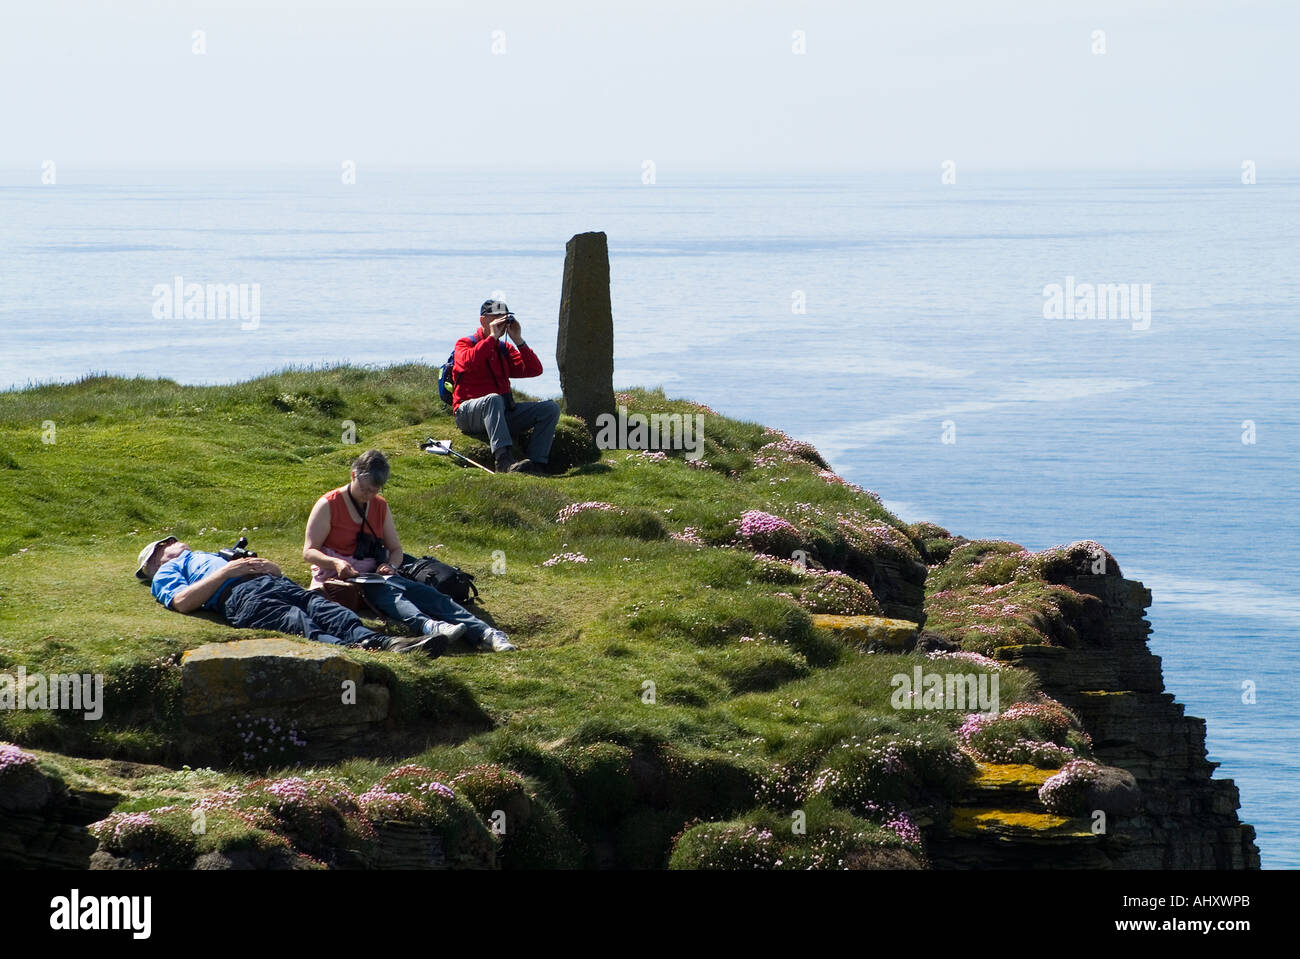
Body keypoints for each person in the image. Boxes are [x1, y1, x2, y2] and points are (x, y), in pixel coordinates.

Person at [303, 449, 517, 652]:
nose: (368, 495)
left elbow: (395, 549)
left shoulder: (380, 506)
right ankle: (429, 627)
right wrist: (337, 563)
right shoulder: (328, 504)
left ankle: (487, 633)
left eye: (374, 491)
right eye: (364, 489)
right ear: (353, 475)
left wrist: (391, 565)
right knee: (390, 594)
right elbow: (309, 552)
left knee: (431, 595)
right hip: (338, 579)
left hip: (374, 576)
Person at [135, 536, 435, 655]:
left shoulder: (209, 554)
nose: (176, 540)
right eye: (168, 541)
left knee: (326, 609)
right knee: (297, 621)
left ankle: (386, 643)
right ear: (157, 557)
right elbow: (183, 602)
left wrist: (271, 568)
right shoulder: (166, 572)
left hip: (275, 583)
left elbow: (274, 571)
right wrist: (227, 573)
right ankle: (357, 653)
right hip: (240, 596)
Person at [451, 298, 561, 475]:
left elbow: (534, 369)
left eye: (505, 318)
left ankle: (536, 464)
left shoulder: (504, 349)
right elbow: (468, 363)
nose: (501, 323)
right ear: (483, 320)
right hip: (468, 414)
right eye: (496, 318)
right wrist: (492, 338)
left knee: (550, 408)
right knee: (493, 399)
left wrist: (518, 340)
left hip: (501, 415)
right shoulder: (465, 343)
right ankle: (503, 460)